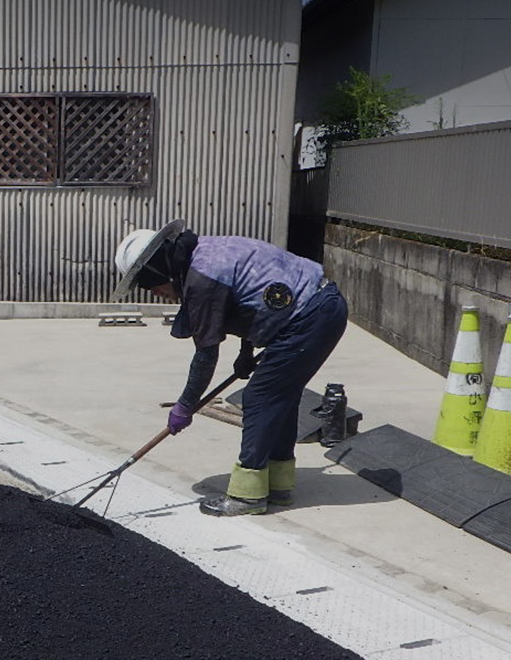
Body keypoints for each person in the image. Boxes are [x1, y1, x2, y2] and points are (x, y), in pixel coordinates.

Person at [115, 220, 349, 517]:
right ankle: (278, 485)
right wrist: (246, 351)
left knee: (260, 398)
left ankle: (247, 496)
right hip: (320, 307)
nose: (156, 294)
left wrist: (185, 406)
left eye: (151, 286)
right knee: (280, 398)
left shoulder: (200, 279)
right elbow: (249, 298)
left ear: (159, 270)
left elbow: (205, 356)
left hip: (311, 315)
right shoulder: (206, 252)